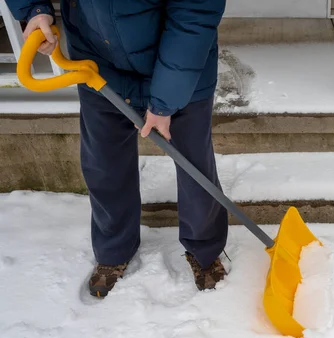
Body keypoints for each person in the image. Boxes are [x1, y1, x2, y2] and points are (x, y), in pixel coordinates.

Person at [6, 0, 229, 296]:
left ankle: (205, 250)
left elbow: (194, 17)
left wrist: (165, 102)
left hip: (183, 71)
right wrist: (35, 10)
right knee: (104, 167)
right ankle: (114, 250)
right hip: (98, 61)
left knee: (194, 167)